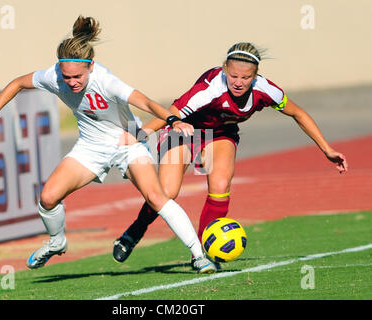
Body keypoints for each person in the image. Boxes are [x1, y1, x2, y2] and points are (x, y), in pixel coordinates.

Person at [0, 15, 217, 274]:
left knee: (156, 197)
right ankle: (57, 242)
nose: (72, 82)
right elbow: (18, 83)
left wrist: (173, 120)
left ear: (91, 66)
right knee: (48, 198)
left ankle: (199, 256)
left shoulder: (105, 80)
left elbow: (145, 102)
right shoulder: (54, 76)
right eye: (67, 77)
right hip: (90, 147)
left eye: (78, 76)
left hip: (127, 141)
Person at [113, 42, 348, 268]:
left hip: (221, 133)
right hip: (183, 129)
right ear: (225, 68)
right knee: (167, 192)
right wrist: (140, 134)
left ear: (255, 75)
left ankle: (204, 253)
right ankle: (134, 232)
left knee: (221, 182)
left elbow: (298, 113)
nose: (238, 82)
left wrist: (326, 149)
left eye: (246, 78)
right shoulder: (209, 89)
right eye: (234, 76)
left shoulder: (265, 90)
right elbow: (170, 113)